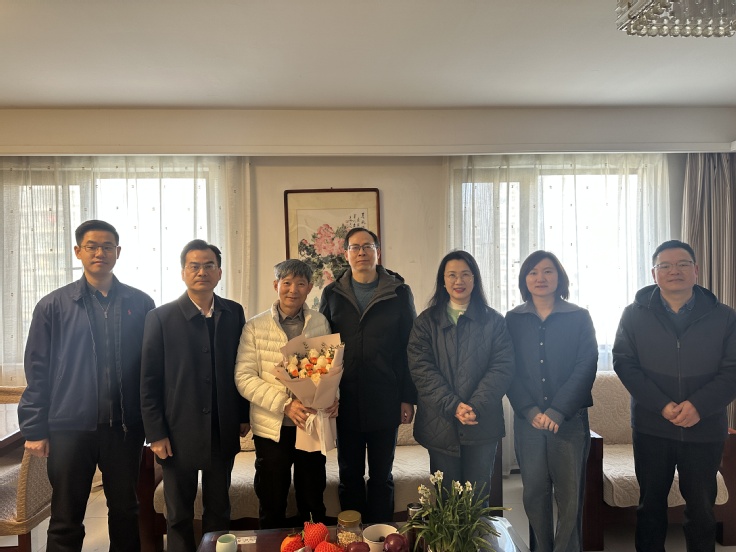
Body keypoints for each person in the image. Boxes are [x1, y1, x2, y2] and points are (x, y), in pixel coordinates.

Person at [18, 219, 155, 551]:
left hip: (124, 428)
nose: (100, 253)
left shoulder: (140, 303)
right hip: (69, 428)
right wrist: (34, 427)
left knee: (126, 510)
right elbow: (37, 368)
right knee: (66, 515)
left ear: (118, 252)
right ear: (78, 251)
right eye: (92, 246)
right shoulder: (53, 306)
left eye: (107, 247)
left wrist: (153, 422)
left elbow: (151, 367)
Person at [613, 239, 736, 552]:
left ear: (696, 270)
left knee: (701, 509)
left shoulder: (725, 317)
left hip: (704, 428)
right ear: (654, 273)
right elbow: (624, 364)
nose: (674, 271)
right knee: (650, 505)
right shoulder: (633, 315)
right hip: (652, 427)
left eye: (683, 264)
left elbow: (733, 370)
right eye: (665, 265)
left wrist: (698, 406)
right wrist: (662, 405)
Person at [140, 239, 249, 552]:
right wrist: (155, 433)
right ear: (183, 272)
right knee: (178, 514)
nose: (202, 272)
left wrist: (242, 415)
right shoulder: (160, 318)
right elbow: (148, 380)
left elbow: (243, 366)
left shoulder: (233, 312)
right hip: (177, 432)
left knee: (219, 508)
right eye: (194, 266)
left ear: (219, 272)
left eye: (209, 265)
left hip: (220, 429)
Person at [319, 227, 416, 523]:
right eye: (355, 247)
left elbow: (409, 347)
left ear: (378, 252)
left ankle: (381, 535)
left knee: (381, 475)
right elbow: (322, 346)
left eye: (367, 246)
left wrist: (407, 397)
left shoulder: (399, 292)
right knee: (349, 475)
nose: (361, 252)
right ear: (346, 254)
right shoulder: (332, 293)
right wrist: (323, 395)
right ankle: (352, 536)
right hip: (344, 401)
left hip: (385, 398)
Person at [235, 259, 338, 529]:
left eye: (300, 284)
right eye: (287, 283)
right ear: (276, 285)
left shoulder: (319, 322)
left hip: (311, 424)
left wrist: (333, 396)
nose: (293, 290)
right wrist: (285, 404)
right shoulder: (255, 327)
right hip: (272, 428)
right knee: (272, 500)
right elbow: (243, 377)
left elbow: (330, 368)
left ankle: (314, 545)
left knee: (312, 499)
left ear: (310, 288)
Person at [505, 250, 598, 552]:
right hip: (528, 422)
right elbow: (508, 368)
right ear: (524, 280)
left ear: (559, 277)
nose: (540, 278)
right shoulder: (513, 319)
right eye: (533, 272)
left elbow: (586, 365)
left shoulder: (578, 316)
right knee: (534, 493)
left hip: (569, 422)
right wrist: (530, 410)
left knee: (570, 496)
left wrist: (558, 410)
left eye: (548, 271)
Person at [407, 250, 514, 501]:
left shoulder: (494, 321)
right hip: (439, 424)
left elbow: (502, 367)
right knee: (447, 504)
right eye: (452, 275)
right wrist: (453, 406)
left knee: (478, 500)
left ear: (475, 279)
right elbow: (421, 369)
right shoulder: (426, 322)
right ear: (443, 281)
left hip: (482, 422)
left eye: (466, 274)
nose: (459, 281)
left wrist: (474, 406)